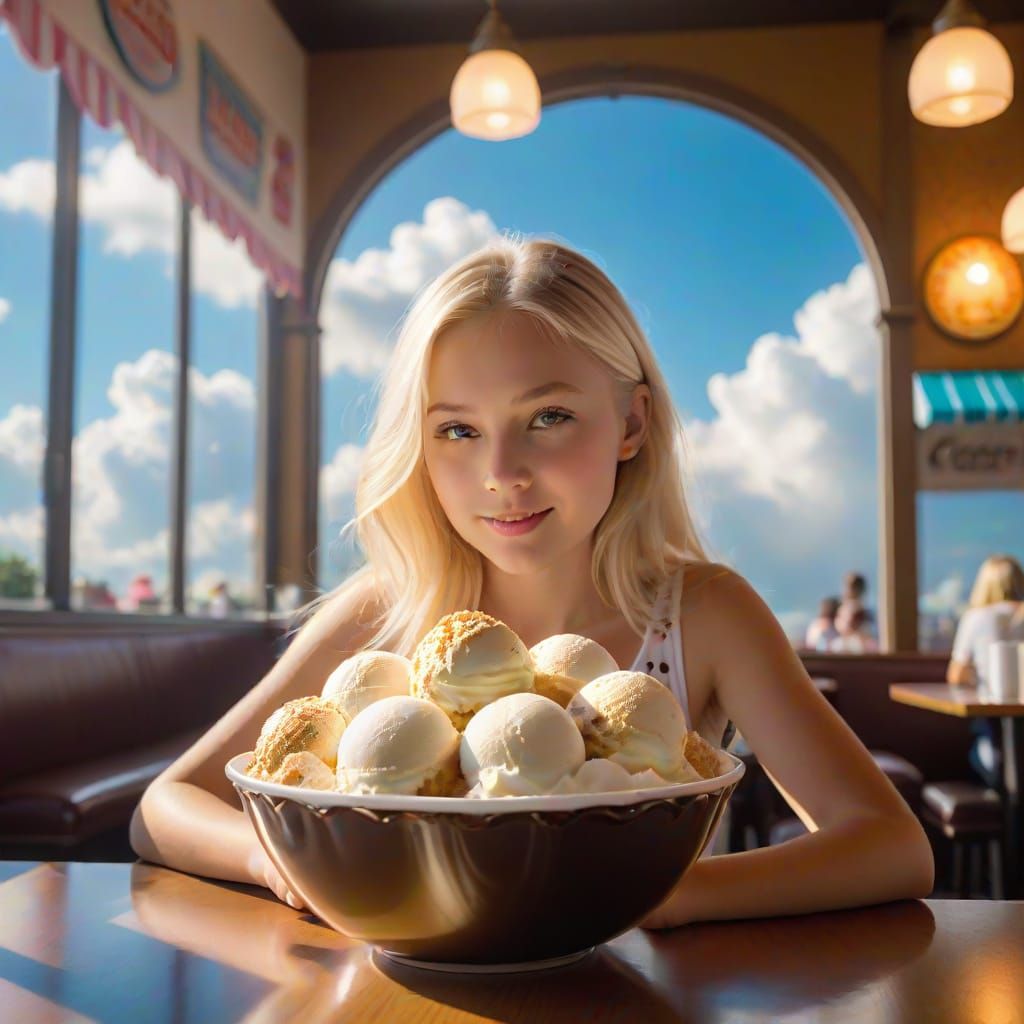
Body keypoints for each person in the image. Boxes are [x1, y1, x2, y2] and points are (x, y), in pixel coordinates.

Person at [130, 237, 933, 925]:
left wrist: (663, 899)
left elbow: (891, 846)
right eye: (458, 429)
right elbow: (164, 809)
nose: (502, 473)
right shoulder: (384, 611)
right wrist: (276, 860)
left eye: (548, 417)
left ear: (631, 423)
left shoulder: (703, 614)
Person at [946, 554, 1024, 788]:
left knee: (984, 751)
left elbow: (955, 674)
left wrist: (980, 675)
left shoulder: (976, 617)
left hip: (992, 727)